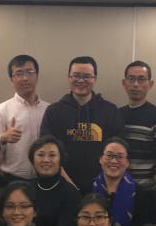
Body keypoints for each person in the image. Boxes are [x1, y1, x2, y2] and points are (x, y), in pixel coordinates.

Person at [40, 56, 124, 193]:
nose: (80, 80)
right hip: (61, 186)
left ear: (94, 79)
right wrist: (69, 186)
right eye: (76, 76)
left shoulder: (110, 111)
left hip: (101, 187)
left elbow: (117, 153)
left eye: (86, 76)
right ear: (69, 78)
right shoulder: (54, 112)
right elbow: (47, 152)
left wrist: (104, 183)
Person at [0, 54, 49, 180]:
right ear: (12, 79)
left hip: (45, 177)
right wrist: (3, 138)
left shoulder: (49, 110)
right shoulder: (1, 110)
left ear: (37, 76)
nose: (25, 78)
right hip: (12, 179)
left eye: (30, 72)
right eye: (19, 73)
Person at [119, 60, 156, 184]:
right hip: (117, 186)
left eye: (141, 79)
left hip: (145, 189)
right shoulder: (116, 114)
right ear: (124, 83)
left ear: (150, 84)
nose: (135, 84)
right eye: (131, 79)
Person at [29, 136, 80, 226]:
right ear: (32, 159)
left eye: (52, 155)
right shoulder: (26, 189)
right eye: (40, 155)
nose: (46, 160)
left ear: (60, 160)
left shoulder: (71, 194)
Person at [90, 136, 135, 226]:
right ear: (100, 159)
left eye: (120, 157)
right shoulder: (87, 189)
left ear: (127, 163)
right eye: (109, 155)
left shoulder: (140, 194)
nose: (114, 161)